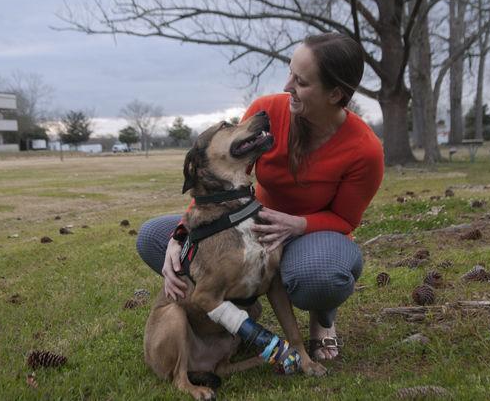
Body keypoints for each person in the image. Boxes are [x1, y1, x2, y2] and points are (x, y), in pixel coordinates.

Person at [137, 33, 384, 361]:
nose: (287, 86)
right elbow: (220, 174)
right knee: (154, 236)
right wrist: (182, 233)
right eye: (290, 72)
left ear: (335, 94)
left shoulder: (364, 150)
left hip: (312, 235)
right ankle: (234, 308)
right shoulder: (267, 111)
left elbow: (346, 219)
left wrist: (297, 224)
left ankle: (322, 322)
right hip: (250, 228)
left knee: (319, 276)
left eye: (301, 81)